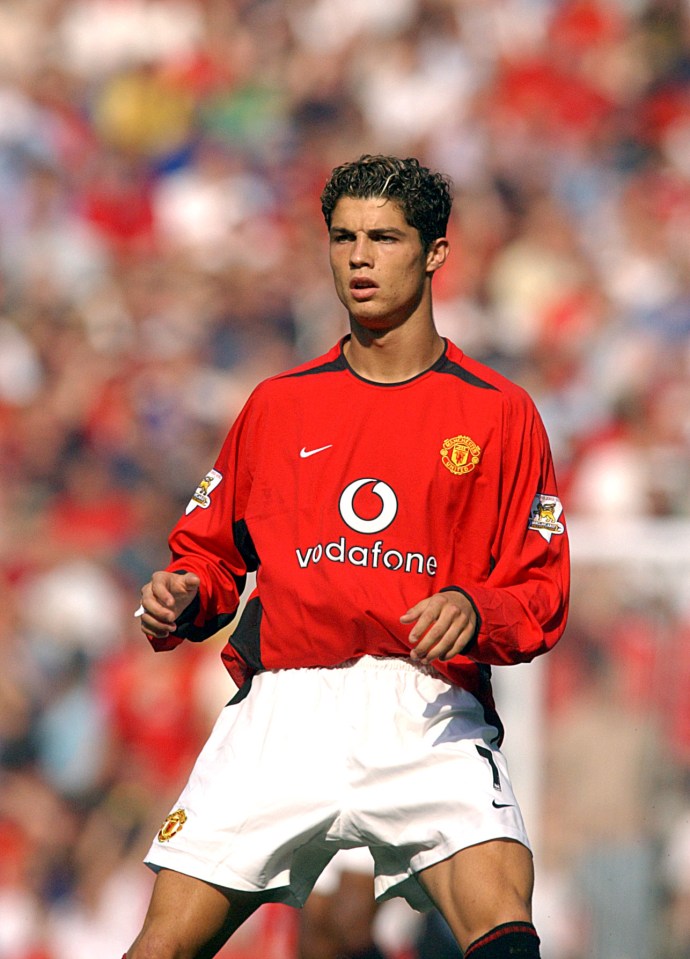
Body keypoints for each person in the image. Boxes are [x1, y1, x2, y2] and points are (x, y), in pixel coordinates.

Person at [126, 154, 570, 959]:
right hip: (283, 708)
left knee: (505, 928)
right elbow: (211, 559)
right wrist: (184, 594)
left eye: (384, 238)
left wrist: (475, 606)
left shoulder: (500, 413)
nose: (359, 257)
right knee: (160, 946)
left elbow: (540, 589)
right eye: (343, 237)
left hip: (425, 703)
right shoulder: (277, 404)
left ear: (435, 251)